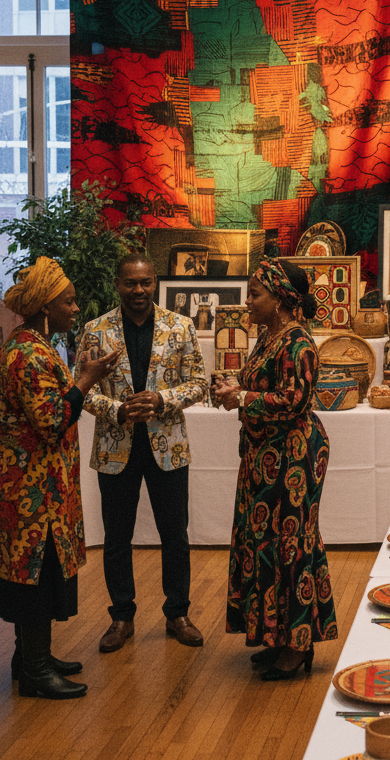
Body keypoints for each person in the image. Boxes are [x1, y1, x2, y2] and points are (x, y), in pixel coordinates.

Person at [76, 253, 208, 653]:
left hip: (167, 446)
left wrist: (162, 399)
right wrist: (117, 409)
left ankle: (178, 614)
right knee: (117, 536)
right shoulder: (95, 331)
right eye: (131, 283)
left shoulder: (181, 326)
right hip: (116, 448)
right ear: (117, 284)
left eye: (146, 283)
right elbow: (81, 387)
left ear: (156, 283)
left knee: (175, 534)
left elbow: (199, 382)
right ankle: (121, 617)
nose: (139, 291)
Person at [212, 258, 338, 680]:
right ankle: (275, 636)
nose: (248, 302)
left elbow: (293, 401)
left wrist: (243, 398)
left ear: (281, 299)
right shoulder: (270, 338)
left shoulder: (298, 343)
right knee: (263, 541)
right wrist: (236, 391)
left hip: (292, 458)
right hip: (264, 457)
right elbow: (262, 389)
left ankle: (297, 645)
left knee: (290, 544)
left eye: (255, 294)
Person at [0, 257, 120, 698]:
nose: (76, 308)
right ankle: (33, 670)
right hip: (31, 491)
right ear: (46, 306)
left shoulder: (38, 342)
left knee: (41, 572)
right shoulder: (27, 353)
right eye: (68, 302)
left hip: (45, 486)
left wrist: (86, 375)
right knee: (35, 575)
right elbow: (51, 419)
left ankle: (30, 658)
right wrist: (86, 380)